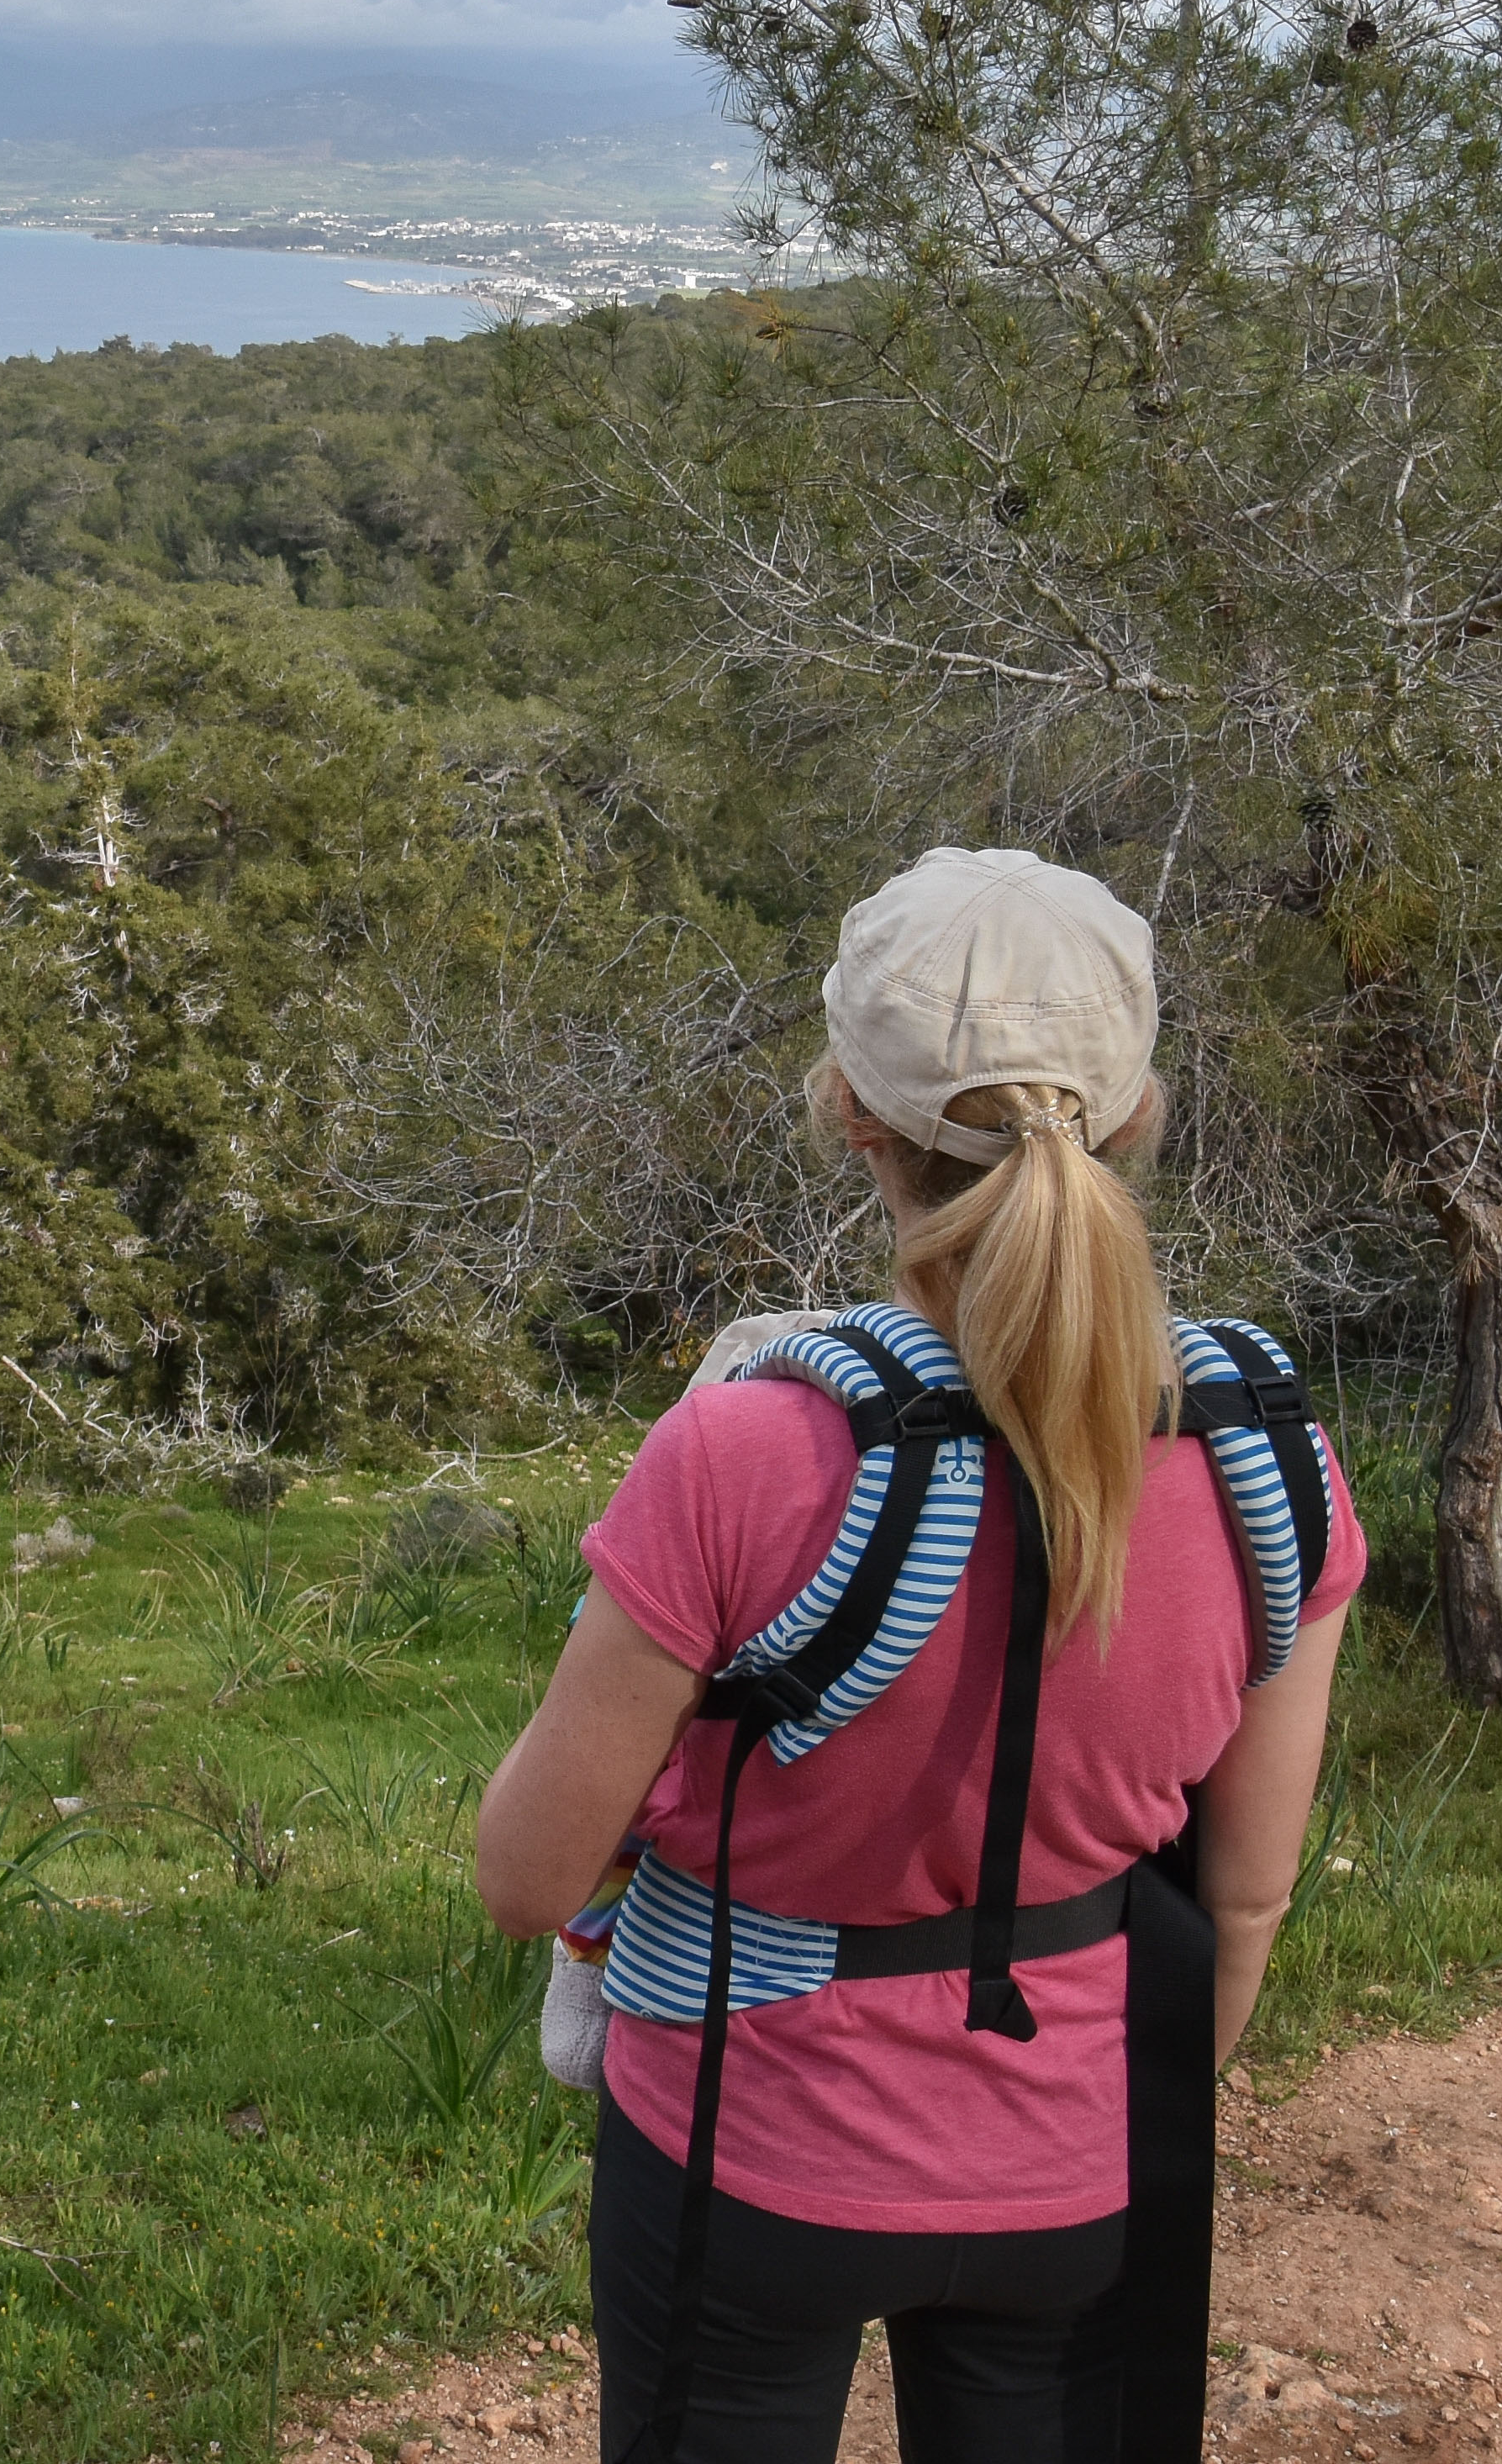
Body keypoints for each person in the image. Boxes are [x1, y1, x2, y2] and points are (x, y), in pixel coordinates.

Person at [477, 847, 1362, 2464]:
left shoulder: (748, 1446)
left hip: (745, 2154)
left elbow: (530, 1874)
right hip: (1086, 2161)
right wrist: (1120, 2109)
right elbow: (1245, 1895)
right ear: (1138, 1108)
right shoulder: (1264, 1453)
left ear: (848, 1112)